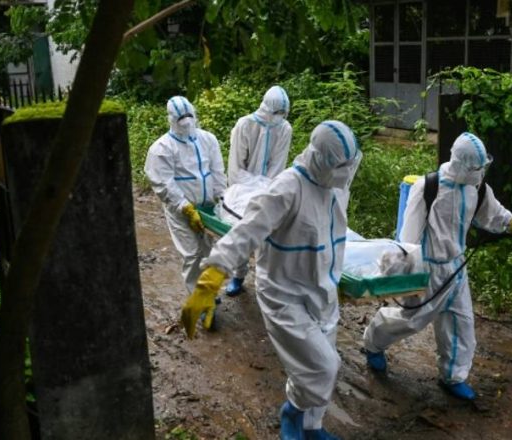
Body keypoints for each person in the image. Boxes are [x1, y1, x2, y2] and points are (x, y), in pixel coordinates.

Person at [180, 121, 360, 440]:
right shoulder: (287, 188)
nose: (346, 172)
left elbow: (330, 239)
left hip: (322, 292)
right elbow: (245, 233)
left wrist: (337, 281)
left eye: (350, 164)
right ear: (319, 158)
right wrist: (209, 281)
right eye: (340, 166)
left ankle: (311, 425)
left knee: (312, 367)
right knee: (323, 367)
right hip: (284, 294)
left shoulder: (332, 186)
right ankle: (291, 412)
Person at [362, 132, 512, 400]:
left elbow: (494, 215)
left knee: (461, 324)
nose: (480, 173)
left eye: (483, 167)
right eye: (476, 168)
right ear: (460, 165)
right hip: (428, 269)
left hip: (457, 268)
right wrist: (395, 271)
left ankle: (453, 376)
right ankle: (373, 343)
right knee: (412, 320)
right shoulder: (428, 188)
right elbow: (408, 238)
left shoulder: (477, 189)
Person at [144, 95, 226, 295]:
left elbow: (217, 170)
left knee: (210, 252)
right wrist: (185, 207)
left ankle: (210, 293)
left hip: (207, 208)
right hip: (181, 211)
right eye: (181, 119)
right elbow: (163, 183)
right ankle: (197, 297)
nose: (186, 122)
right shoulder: (161, 149)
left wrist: (222, 197)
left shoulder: (208, 139)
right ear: (171, 119)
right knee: (191, 255)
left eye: (189, 116)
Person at [224, 85, 293, 296]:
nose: (279, 117)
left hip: (268, 187)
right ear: (266, 108)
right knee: (242, 229)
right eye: (276, 112)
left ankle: (267, 281)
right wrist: (251, 187)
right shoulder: (245, 125)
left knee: (269, 232)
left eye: (283, 113)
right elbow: (235, 169)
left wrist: (266, 189)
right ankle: (238, 275)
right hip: (240, 189)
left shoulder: (284, 129)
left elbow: (277, 166)